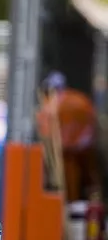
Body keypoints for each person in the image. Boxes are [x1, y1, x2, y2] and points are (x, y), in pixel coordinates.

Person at [36, 71, 103, 203]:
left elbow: (47, 132)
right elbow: (93, 124)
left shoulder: (52, 105)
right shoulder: (81, 99)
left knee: (69, 183)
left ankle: (72, 203)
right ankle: (94, 202)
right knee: (90, 178)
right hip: (86, 146)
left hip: (66, 151)